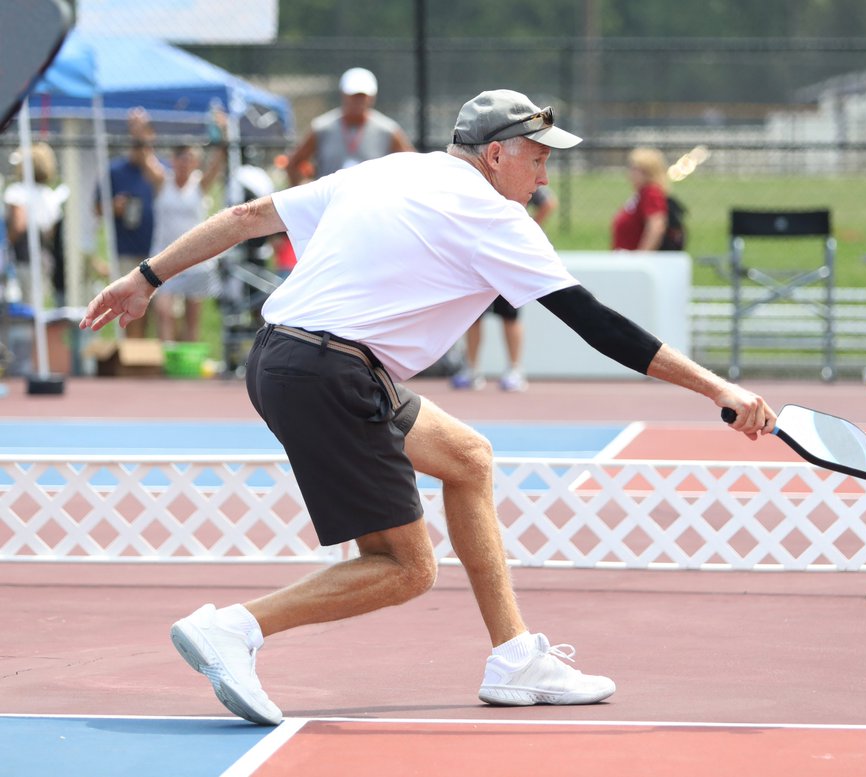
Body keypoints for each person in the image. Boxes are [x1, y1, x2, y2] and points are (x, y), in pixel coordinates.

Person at [80, 88, 775, 726]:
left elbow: (246, 217)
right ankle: (234, 629)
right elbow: (599, 326)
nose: (543, 177)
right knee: (407, 567)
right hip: (332, 372)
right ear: (496, 155)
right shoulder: (495, 217)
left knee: (468, 459)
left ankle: (513, 658)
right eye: (537, 159)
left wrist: (146, 277)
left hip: (281, 355)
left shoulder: (389, 168)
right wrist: (719, 388)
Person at [450, 185, 557, 392]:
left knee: (510, 313)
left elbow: (548, 202)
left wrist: (530, 229)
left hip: (507, 255)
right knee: (473, 314)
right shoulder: (476, 179)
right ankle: (472, 369)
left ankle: (515, 369)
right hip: (479, 254)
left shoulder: (514, 176)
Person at [147, 111, 229, 342]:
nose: (185, 163)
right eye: (180, 157)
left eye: (189, 158)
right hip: (163, 255)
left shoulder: (200, 184)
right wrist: (142, 132)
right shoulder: (163, 181)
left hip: (196, 260)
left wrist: (223, 132)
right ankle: (166, 362)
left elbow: (219, 159)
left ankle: (187, 369)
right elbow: (145, 155)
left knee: (192, 319)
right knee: (163, 311)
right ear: (173, 159)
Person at [286, 67, 415, 185]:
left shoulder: (388, 130)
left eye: (362, 96)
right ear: (343, 95)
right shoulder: (322, 128)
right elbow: (294, 164)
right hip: (330, 204)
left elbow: (412, 167)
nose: (358, 101)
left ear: (372, 97)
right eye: (353, 96)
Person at [95, 108, 160, 338]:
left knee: (155, 309)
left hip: (154, 251)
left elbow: (161, 182)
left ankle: (146, 358)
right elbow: (97, 208)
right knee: (129, 305)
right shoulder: (114, 170)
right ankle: (130, 356)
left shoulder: (154, 171)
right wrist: (115, 206)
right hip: (123, 250)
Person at [4, 142, 68, 304]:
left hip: (21, 259)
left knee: (20, 307)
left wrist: (5, 245)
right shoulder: (50, 195)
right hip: (44, 259)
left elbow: (18, 225)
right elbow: (51, 231)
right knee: (36, 305)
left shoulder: (16, 192)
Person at [611, 147, 670, 251]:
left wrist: (642, 257)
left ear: (648, 171)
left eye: (635, 169)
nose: (630, 173)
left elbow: (656, 226)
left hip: (635, 260)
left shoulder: (651, 193)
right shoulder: (640, 194)